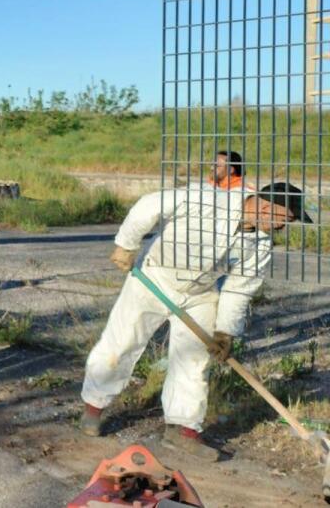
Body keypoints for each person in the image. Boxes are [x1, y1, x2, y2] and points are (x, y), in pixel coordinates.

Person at [81, 181, 311, 459]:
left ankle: (184, 431)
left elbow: (240, 287)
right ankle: (93, 409)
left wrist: (225, 331)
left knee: (194, 361)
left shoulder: (260, 244)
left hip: (200, 293)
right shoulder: (205, 199)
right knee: (122, 343)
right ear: (267, 207)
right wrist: (126, 244)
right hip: (154, 277)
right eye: (284, 220)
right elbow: (148, 206)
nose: (283, 228)